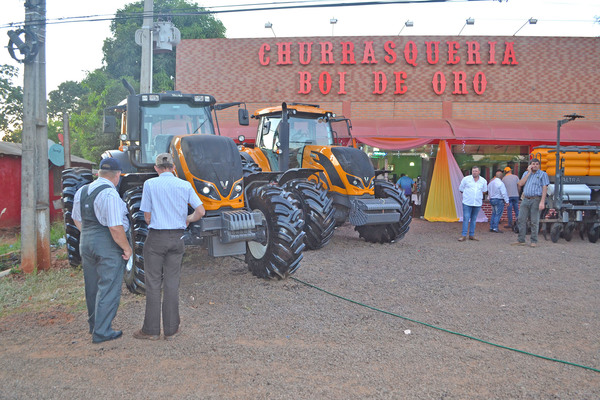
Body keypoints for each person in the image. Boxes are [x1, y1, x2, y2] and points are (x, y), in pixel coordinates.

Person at [133, 153, 205, 341]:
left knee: (153, 283)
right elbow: (201, 211)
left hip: (156, 238)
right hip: (177, 237)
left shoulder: (150, 184)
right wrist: (187, 219)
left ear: (156, 168)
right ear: (174, 168)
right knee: (172, 284)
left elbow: (147, 217)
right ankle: (172, 330)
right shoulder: (184, 185)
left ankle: (151, 330)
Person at [72, 158, 132, 344]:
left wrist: (89, 235)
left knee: (92, 285)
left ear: (98, 173)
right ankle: (103, 331)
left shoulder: (81, 191)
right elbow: (115, 227)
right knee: (108, 285)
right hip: (107, 244)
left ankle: (94, 325)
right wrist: (127, 248)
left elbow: (75, 218)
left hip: (86, 241)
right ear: (117, 175)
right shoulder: (109, 194)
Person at [512, 158, 549, 248]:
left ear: (539, 165)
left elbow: (545, 188)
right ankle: (521, 240)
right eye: (533, 164)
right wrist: (528, 173)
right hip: (525, 199)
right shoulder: (526, 174)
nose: (535, 165)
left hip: (536, 199)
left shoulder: (543, 174)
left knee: (534, 221)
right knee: (521, 219)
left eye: (537, 164)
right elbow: (520, 184)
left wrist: (542, 202)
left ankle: (534, 241)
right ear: (530, 165)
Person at [458, 166, 488, 241]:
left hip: (477, 203)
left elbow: (484, 191)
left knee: (474, 219)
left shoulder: (483, 181)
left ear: (479, 172)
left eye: (476, 171)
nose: (474, 172)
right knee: (466, 218)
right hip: (467, 202)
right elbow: (461, 189)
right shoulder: (466, 179)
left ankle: (471, 235)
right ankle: (463, 235)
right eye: (473, 171)